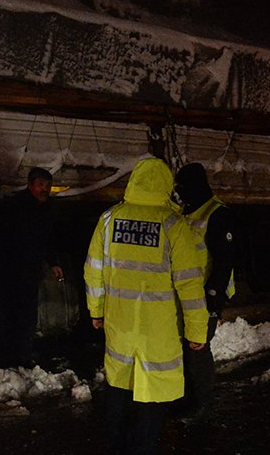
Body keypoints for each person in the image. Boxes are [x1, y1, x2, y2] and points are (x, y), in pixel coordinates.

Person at [84, 158, 208, 455]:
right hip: (158, 332)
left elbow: (94, 271)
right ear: (166, 185)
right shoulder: (173, 225)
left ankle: (116, 447)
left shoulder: (109, 220)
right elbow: (190, 285)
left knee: (119, 389)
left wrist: (96, 311)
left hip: (120, 326)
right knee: (151, 397)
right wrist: (197, 331)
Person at [173, 162, 237, 422]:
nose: (179, 192)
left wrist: (214, 303)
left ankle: (203, 403)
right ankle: (189, 399)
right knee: (186, 349)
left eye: (182, 187)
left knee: (197, 349)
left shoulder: (217, 214)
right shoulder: (185, 213)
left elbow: (224, 262)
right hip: (187, 296)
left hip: (205, 297)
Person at [0, 167, 64, 365]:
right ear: (31, 184)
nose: (45, 190)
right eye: (41, 185)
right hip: (12, 269)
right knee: (10, 312)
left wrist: (53, 263)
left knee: (26, 313)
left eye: (48, 186)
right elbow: (6, 239)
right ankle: (7, 354)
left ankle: (22, 353)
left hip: (29, 271)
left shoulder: (46, 209)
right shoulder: (16, 207)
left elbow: (47, 239)